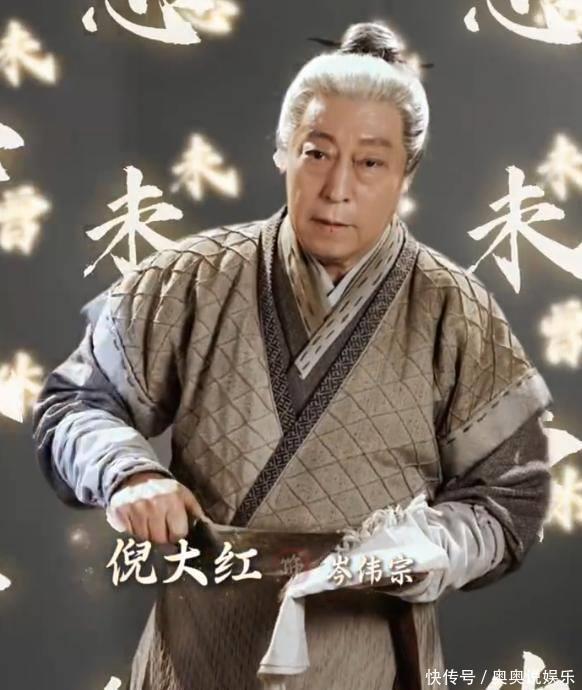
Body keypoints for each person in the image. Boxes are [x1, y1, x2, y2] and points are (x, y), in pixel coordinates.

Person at [32, 19, 553, 690]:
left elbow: (512, 500)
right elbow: (73, 405)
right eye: (316, 153)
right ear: (282, 152)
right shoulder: (189, 279)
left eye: (370, 162)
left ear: (406, 172)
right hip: (197, 656)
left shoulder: (456, 309)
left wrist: (428, 546)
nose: (338, 188)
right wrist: (128, 474)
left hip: (373, 663)